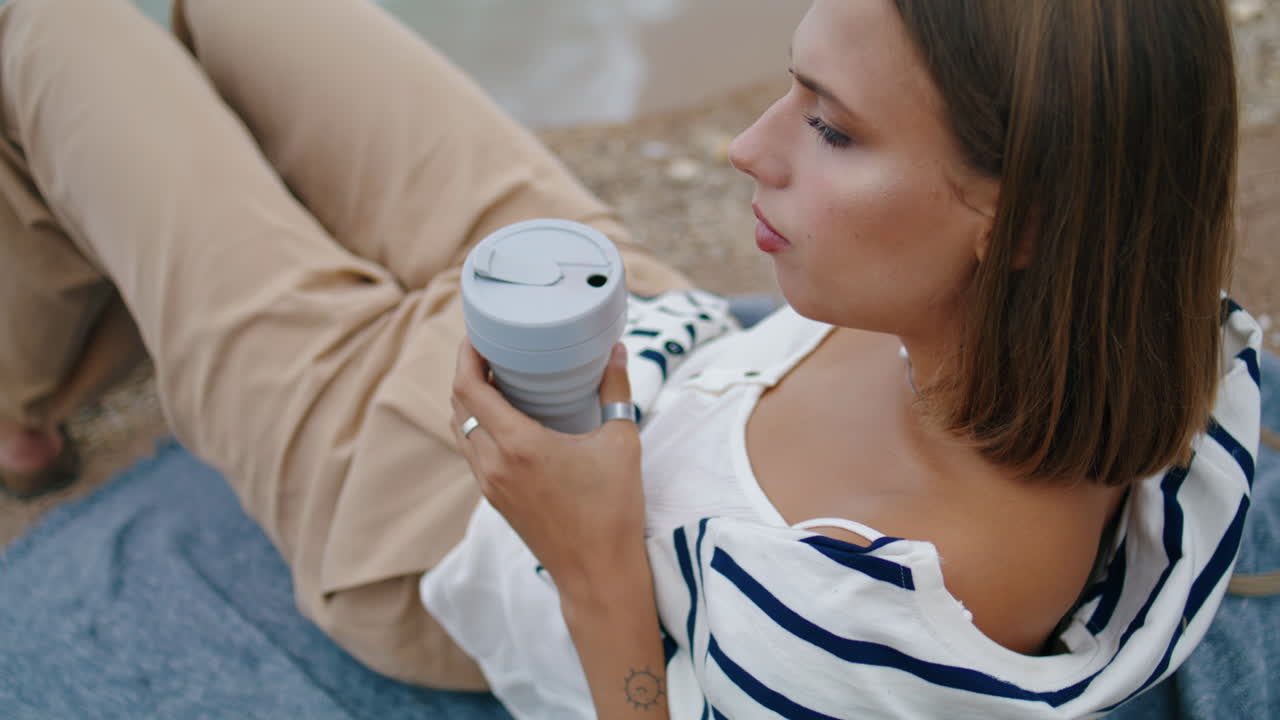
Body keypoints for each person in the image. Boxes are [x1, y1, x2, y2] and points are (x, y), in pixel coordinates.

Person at [0, 0, 1260, 718]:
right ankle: (64, 309)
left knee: (49, 32)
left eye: (827, 128)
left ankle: (23, 393)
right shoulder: (1154, 335)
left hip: (429, 512)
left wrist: (595, 551)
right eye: (790, 89)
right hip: (627, 329)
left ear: (1031, 218)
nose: (744, 151)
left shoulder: (856, 616)